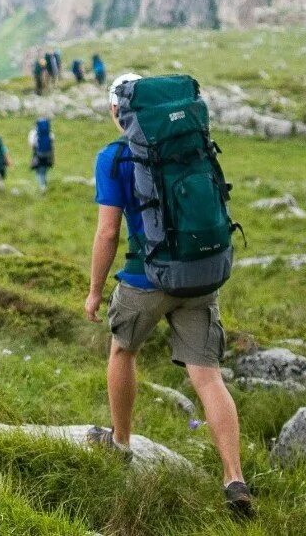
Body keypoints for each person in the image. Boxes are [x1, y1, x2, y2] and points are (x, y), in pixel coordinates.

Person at [83, 73, 252, 517]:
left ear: (117, 112)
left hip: (146, 278)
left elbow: (107, 231)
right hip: (201, 275)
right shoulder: (191, 147)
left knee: (122, 351)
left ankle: (120, 443)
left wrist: (95, 292)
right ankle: (234, 477)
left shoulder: (114, 157)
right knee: (208, 376)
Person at [28, 118, 54, 191]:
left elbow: (31, 145)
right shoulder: (50, 133)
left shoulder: (33, 133)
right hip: (49, 154)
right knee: (45, 170)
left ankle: (42, 187)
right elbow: (52, 144)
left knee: (38, 171)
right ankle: (44, 185)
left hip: (37, 153)